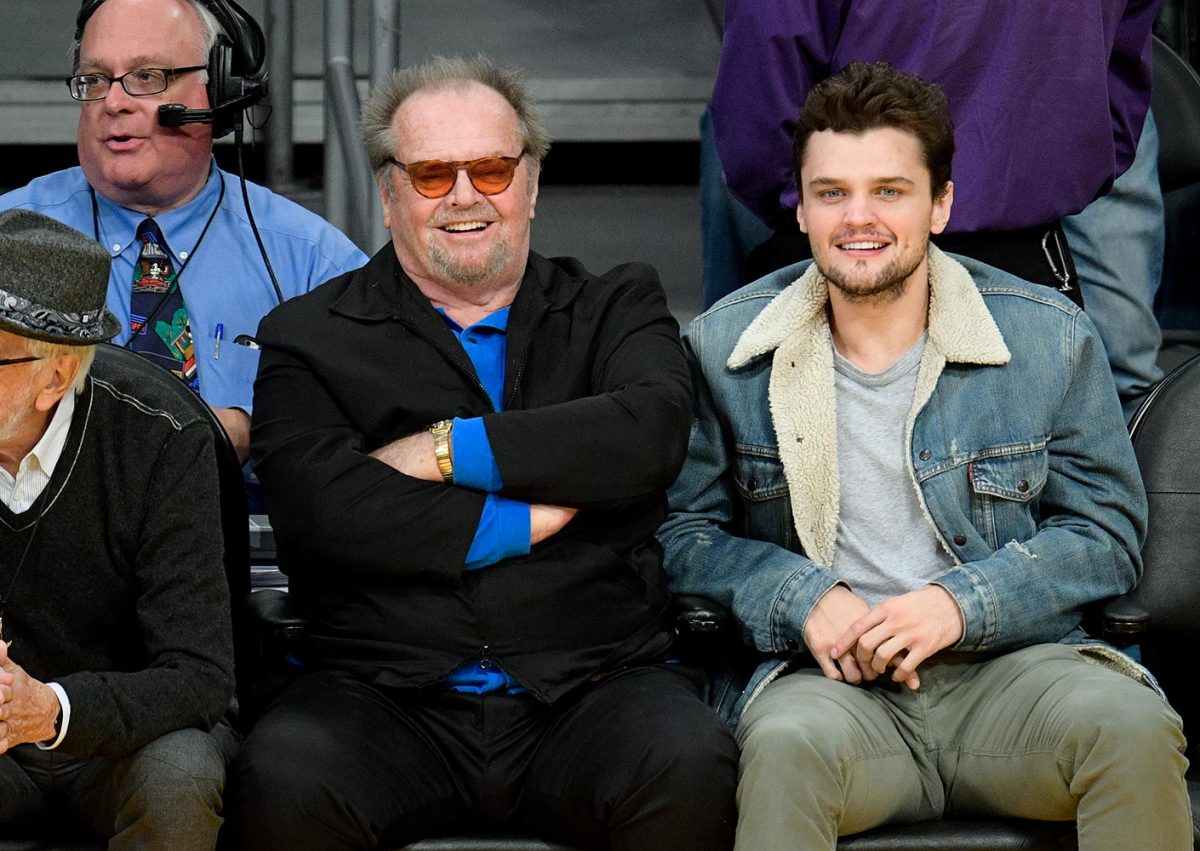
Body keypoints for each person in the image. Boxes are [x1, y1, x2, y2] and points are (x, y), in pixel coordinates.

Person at [659, 62, 1190, 849]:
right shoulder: (725, 347)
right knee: (782, 747)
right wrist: (799, 593)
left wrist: (958, 603)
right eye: (831, 192)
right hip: (830, 693)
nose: (858, 217)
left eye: (890, 190)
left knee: (1132, 726)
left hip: (1015, 673)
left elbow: (1107, 533)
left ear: (940, 203)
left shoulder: (1046, 334)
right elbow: (682, 537)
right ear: (799, 209)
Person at [226, 55, 738, 851]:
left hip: (593, 685)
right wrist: (523, 517)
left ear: (529, 185)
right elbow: (322, 513)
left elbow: (647, 435)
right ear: (389, 194)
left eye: (492, 169)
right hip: (378, 696)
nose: (466, 195)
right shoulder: (307, 335)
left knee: (688, 763)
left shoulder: (616, 306)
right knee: (284, 776)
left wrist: (444, 449)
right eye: (432, 174)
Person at [708, 0, 1164, 409]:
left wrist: (820, 200)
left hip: (855, 251)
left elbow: (760, 108)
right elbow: (1122, 92)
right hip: (1026, 258)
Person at [0, 0, 367, 463]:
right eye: (95, 79)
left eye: (147, 77)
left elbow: (380, 420)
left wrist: (261, 430)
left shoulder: (315, 263)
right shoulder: (7, 241)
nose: (113, 102)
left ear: (221, 90)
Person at [0, 209, 234, 849]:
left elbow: (200, 675)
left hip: (127, 739)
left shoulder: (160, 438)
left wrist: (52, 710)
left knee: (179, 777)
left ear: (54, 377)